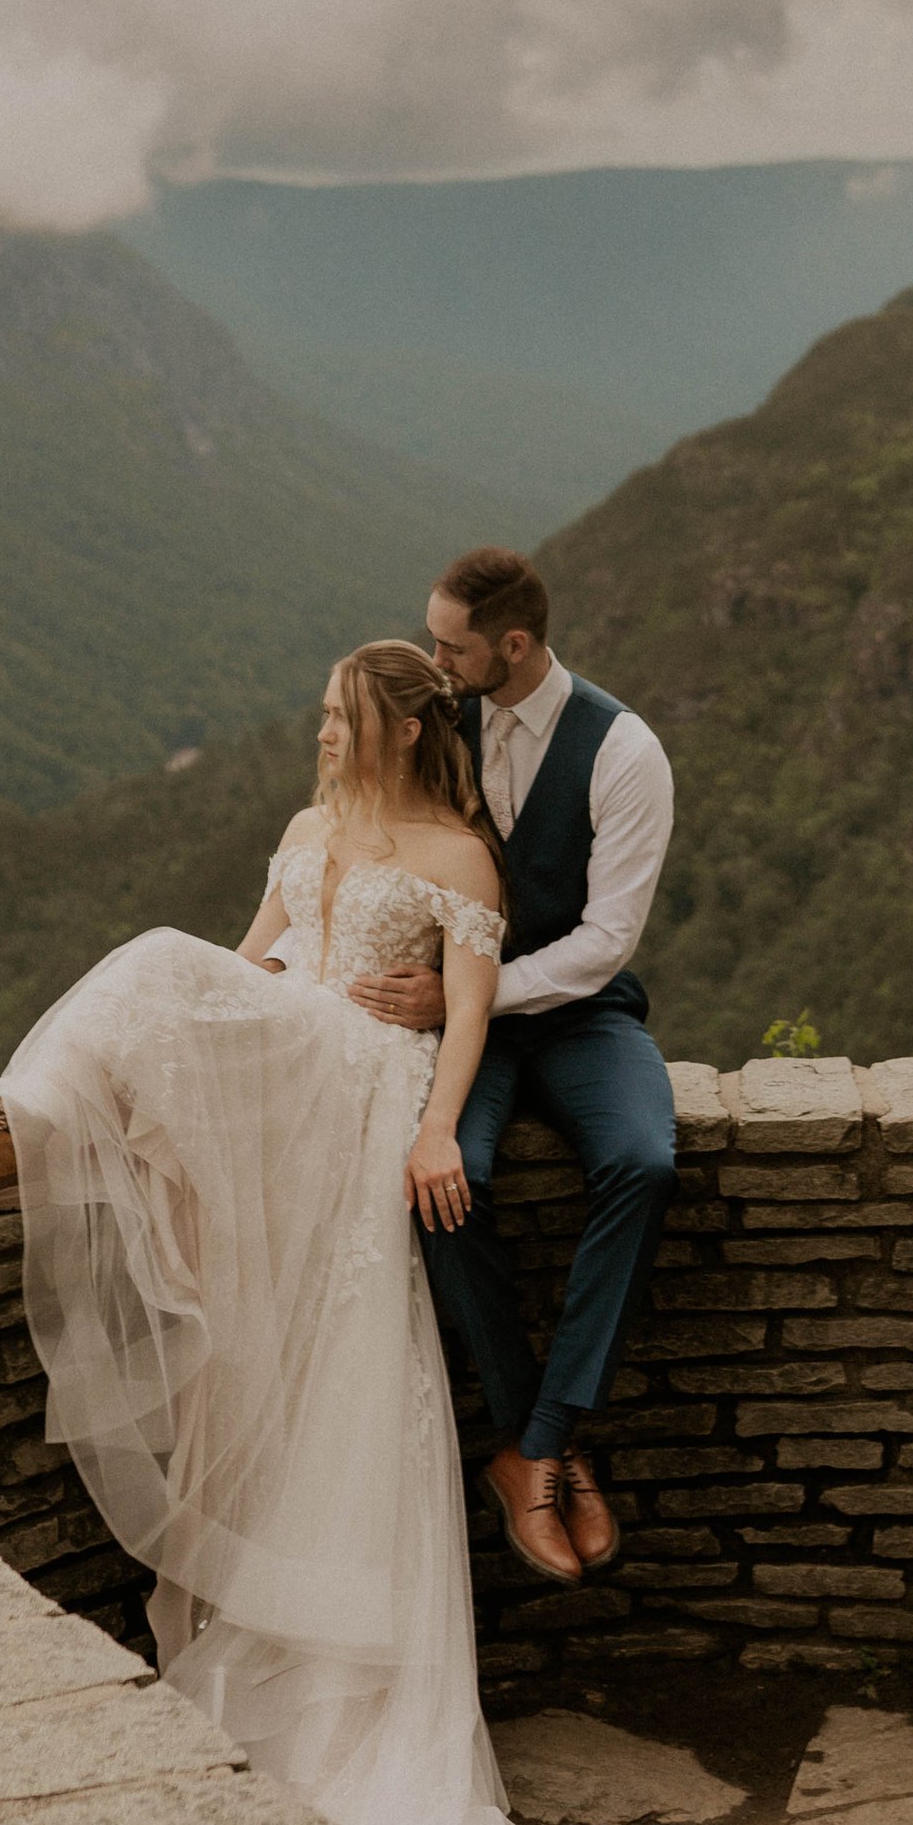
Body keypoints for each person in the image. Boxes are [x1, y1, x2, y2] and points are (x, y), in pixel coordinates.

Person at [0, 640, 555, 1825]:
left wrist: (438, 1129)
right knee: (143, 998)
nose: (321, 732)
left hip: (363, 1083)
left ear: (396, 727)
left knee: (144, 969)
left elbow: (466, 1027)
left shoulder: (461, 860)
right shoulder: (308, 829)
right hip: (291, 1053)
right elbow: (243, 964)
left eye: (338, 716)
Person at [345, 547, 677, 1594]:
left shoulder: (624, 751)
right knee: (448, 1182)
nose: (436, 660)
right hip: (457, 1028)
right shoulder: (441, 720)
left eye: (452, 645)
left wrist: (469, 996)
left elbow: (606, 940)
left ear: (516, 645)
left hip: (577, 1018)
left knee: (644, 1161)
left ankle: (539, 1441)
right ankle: (538, 1441)